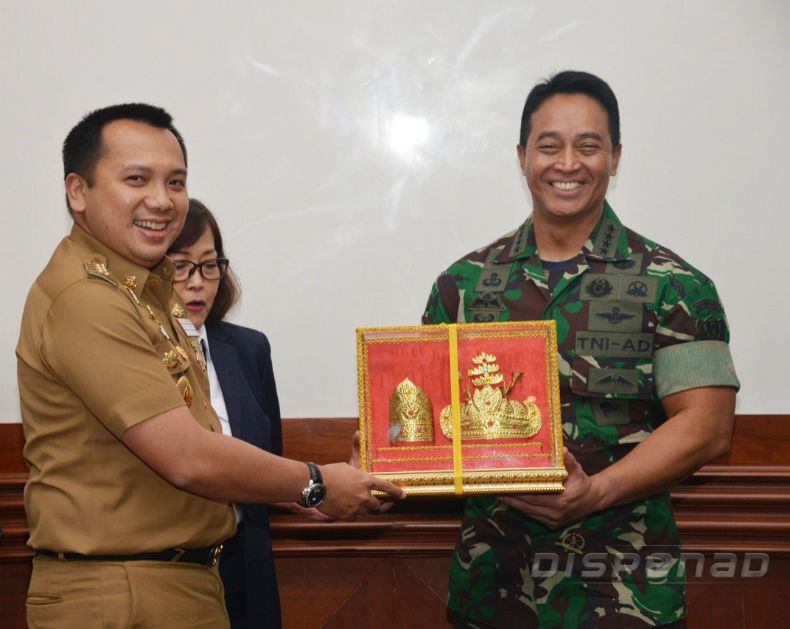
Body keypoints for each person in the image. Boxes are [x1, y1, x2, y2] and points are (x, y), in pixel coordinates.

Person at [16, 103, 404, 629]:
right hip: (121, 593)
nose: (161, 199)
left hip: (170, 584)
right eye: (136, 179)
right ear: (77, 191)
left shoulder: (146, 293)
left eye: (175, 181)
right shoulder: (88, 299)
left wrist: (312, 496)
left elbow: (198, 455)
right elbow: (188, 458)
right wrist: (314, 483)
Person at [422, 71, 739, 628]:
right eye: (549, 146)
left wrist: (595, 493)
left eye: (588, 146)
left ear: (615, 158)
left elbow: (707, 428)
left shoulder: (676, 285)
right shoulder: (462, 285)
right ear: (522, 157)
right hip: (494, 588)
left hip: (624, 590)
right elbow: (432, 419)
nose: (567, 163)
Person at [168, 198, 324, 628]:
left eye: (209, 264)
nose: (197, 283)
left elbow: (267, 466)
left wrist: (320, 487)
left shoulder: (248, 349)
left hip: (245, 558)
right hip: (167, 570)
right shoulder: (131, 352)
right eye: (180, 267)